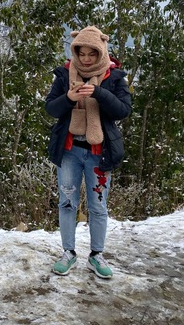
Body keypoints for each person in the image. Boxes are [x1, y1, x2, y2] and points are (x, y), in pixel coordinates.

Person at [44, 26, 131, 279]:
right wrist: (69, 98)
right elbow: (51, 108)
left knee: (98, 206)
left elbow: (123, 111)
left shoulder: (113, 77)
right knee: (67, 203)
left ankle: (96, 254)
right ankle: (68, 252)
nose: (85, 59)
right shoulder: (63, 75)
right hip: (69, 152)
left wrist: (100, 93)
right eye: (80, 53)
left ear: (101, 52)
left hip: (99, 153)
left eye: (91, 54)